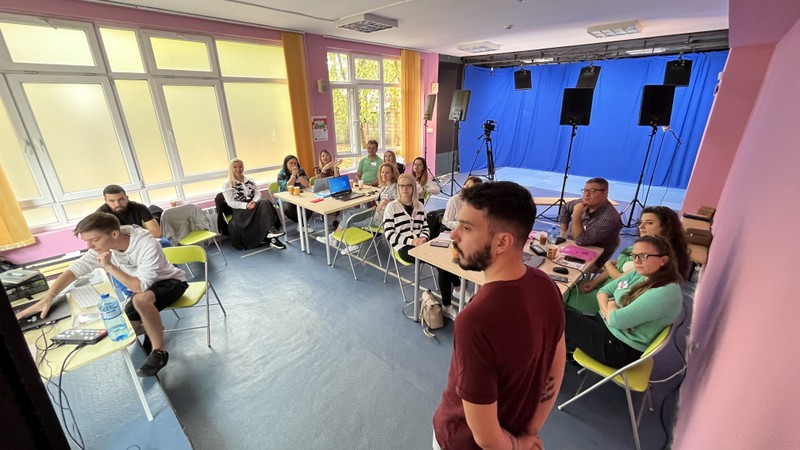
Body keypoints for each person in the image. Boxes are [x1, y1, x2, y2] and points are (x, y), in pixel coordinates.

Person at [432, 181, 565, 450]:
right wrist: (529, 432)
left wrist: (519, 445)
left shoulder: (474, 321)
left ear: (502, 242)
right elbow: (556, 365)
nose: (454, 235)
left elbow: (486, 438)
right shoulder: (547, 284)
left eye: (466, 227)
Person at [15, 212, 188, 377]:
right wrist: (49, 296)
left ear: (114, 234)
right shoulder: (101, 248)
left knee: (141, 299)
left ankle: (159, 351)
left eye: (94, 240)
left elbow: (139, 287)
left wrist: (109, 266)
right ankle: (154, 327)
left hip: (170, 282)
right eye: (87, 241)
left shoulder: (146, 244)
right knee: (122, 329)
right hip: (143, 289)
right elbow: (74, 270)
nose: (89, 246)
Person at [565, 235, 683, 367]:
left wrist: (611, 303)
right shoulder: (641, 273)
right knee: (562, 318)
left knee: (559, 315)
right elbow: (603, 291)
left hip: (618, 347)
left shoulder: (664, 293)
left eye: (643, 256)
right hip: (608, 327)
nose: (637, 261)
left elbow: (616, 320)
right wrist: (610, 311)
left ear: (663, 260)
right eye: (634, 256)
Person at [565, 206, 690, 314]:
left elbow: (619, 277)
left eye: (649, 223)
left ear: (666, 227)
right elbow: (620, 264)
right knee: (567, 286)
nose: (641, 226)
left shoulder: (654, 258)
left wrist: (607, 263)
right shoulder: (646, 246)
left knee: (562, 294)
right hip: (606, 289)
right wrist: (594, 282)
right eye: (641, 222)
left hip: (615, 299)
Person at [321, 163, 399, 255]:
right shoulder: (384, 186)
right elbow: (380, 202)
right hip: (375, 211)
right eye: (382, 172)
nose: (384, 175)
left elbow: (397, 204)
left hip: (380, 219)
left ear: (392, 174)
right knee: (349, 214)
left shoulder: (395, 188)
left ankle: (351, 244)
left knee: (351, 221)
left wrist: (384, 203)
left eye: (387, 173)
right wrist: (378, 205)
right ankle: (334, 238)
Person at [437, 176, 483, 319]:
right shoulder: (454, 200)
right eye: (466, 186)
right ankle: (453, 296)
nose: (467, 190)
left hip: (468, 238)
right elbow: (446, 221)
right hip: (448, 234)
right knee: (444, 266)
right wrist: (462, 226)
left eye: (472, 189)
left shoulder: (478, 204)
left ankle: (461, 289)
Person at [558, 177, 622, 268]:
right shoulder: (582, 203)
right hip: (570, 247)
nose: (586, 194)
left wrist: (576, 214)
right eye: (585, 190)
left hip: (592, 258)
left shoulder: (609, 218)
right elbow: (565, 208)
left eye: (592, 191)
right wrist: (563, 233)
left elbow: (580, 240)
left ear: (605, 193)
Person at [222, 158, 285, 250]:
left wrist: (254, 202)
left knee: (264, 201)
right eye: (235, 167)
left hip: (253, 204)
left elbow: (258, 194)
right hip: (240, 210)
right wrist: (246, 205)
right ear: (231, 168)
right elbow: (231, 202)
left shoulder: (249, 179)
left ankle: (272, 232)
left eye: (240, 166)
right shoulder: (227, 184)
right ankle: (273, 234)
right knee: (264, 205)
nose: (238, 169)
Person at [98, 185, 168, 246]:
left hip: (140, 241)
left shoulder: (139, 207)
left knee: (164, 242)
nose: (117, 204)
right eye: (112, 201)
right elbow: (102, 239)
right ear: (106, 201)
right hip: (117, 245)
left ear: (127, 197)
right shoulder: (100, 215)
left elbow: (157, 233)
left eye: (121, 199)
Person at [383, 173, 429, 263]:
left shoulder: (419, 205)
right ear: (398, 188)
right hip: (403, 245)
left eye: (408, 185)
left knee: (436, 256)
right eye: (401, 186)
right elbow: (389, 234)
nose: (405, 189)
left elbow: (425, 227)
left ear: (413, 187)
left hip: (420, 242)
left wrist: (423, 238)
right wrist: (412, 242)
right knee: (431, 258)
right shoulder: (391, 207)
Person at [277, 154, 313, 228]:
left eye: (295, 163)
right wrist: (293, 175)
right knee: (288, 208)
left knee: (311, 203)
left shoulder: (301, 170)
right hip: (286, 198)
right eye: (291, 163)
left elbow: (306, 184)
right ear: (286, 164)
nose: (293, 165)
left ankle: (301, 225)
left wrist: (299, 175)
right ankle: (302, 225)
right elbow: (287, 188)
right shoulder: (281, 174)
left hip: (300, 195)